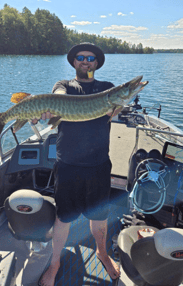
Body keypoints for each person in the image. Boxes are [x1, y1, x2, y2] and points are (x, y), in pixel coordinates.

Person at [34, 43, 120, 285]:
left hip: (99, 165)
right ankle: (55, 263)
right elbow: (59, 98)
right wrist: (49, 107)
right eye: (81, 57)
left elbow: (118, 105)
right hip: (68, 165)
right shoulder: (64, 86)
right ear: (74, 62)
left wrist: (120, 107)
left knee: (99, 217)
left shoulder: (107, 89)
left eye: (91, 58)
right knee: (63, 218)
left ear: (96, 64)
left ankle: (102, 253)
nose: (86, 61)